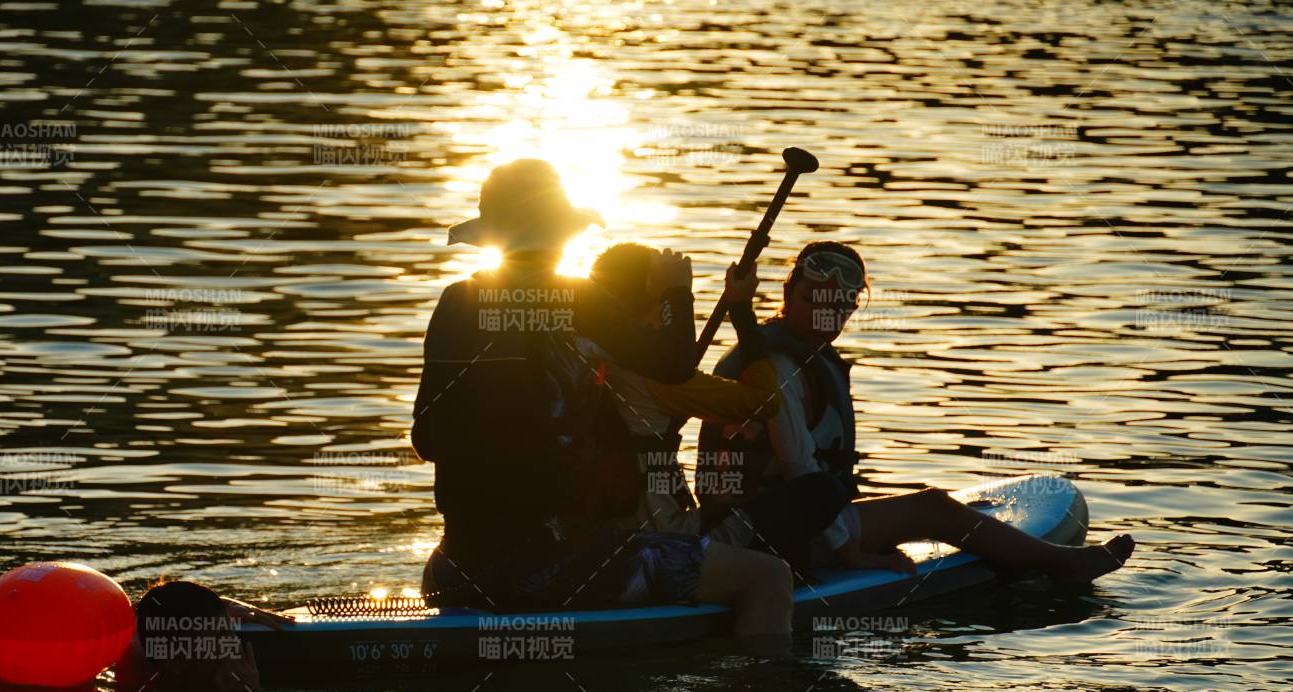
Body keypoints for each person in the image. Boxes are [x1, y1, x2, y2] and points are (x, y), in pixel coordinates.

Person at [410, 159, 793, 643]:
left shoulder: (454, 303)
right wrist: (678, 291)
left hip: (455, 569)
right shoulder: (578, 297)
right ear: (561, 234)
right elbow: (674, 365)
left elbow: (425, 438)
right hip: (564, 567)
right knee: (769, 578)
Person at [701, 241, 1136, 583]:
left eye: (838, 303)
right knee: (932, 509)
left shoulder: (798, 357)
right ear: (788, 295)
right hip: (767, 533)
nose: (825, 313)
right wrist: (850, 554)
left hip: (786, 521)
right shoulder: (777, 366)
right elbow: (800, 469)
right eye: (813, 298)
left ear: (853, 307)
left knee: (917, 507)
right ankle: (1062, 564)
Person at [582, 241, 850, 570]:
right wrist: (739, 308)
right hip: (666, 539)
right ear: (656, 303)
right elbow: (763, 402)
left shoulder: (588, 356)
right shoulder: (659, 378)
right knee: (823, 492)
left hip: (615, 525)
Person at [111, 579, 289, 692]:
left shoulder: (160, 645)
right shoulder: (139, 688)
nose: (234, 643)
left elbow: (147, 605)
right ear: (176, 662)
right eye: (220, 636)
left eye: (229, 631)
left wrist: (232, 606)